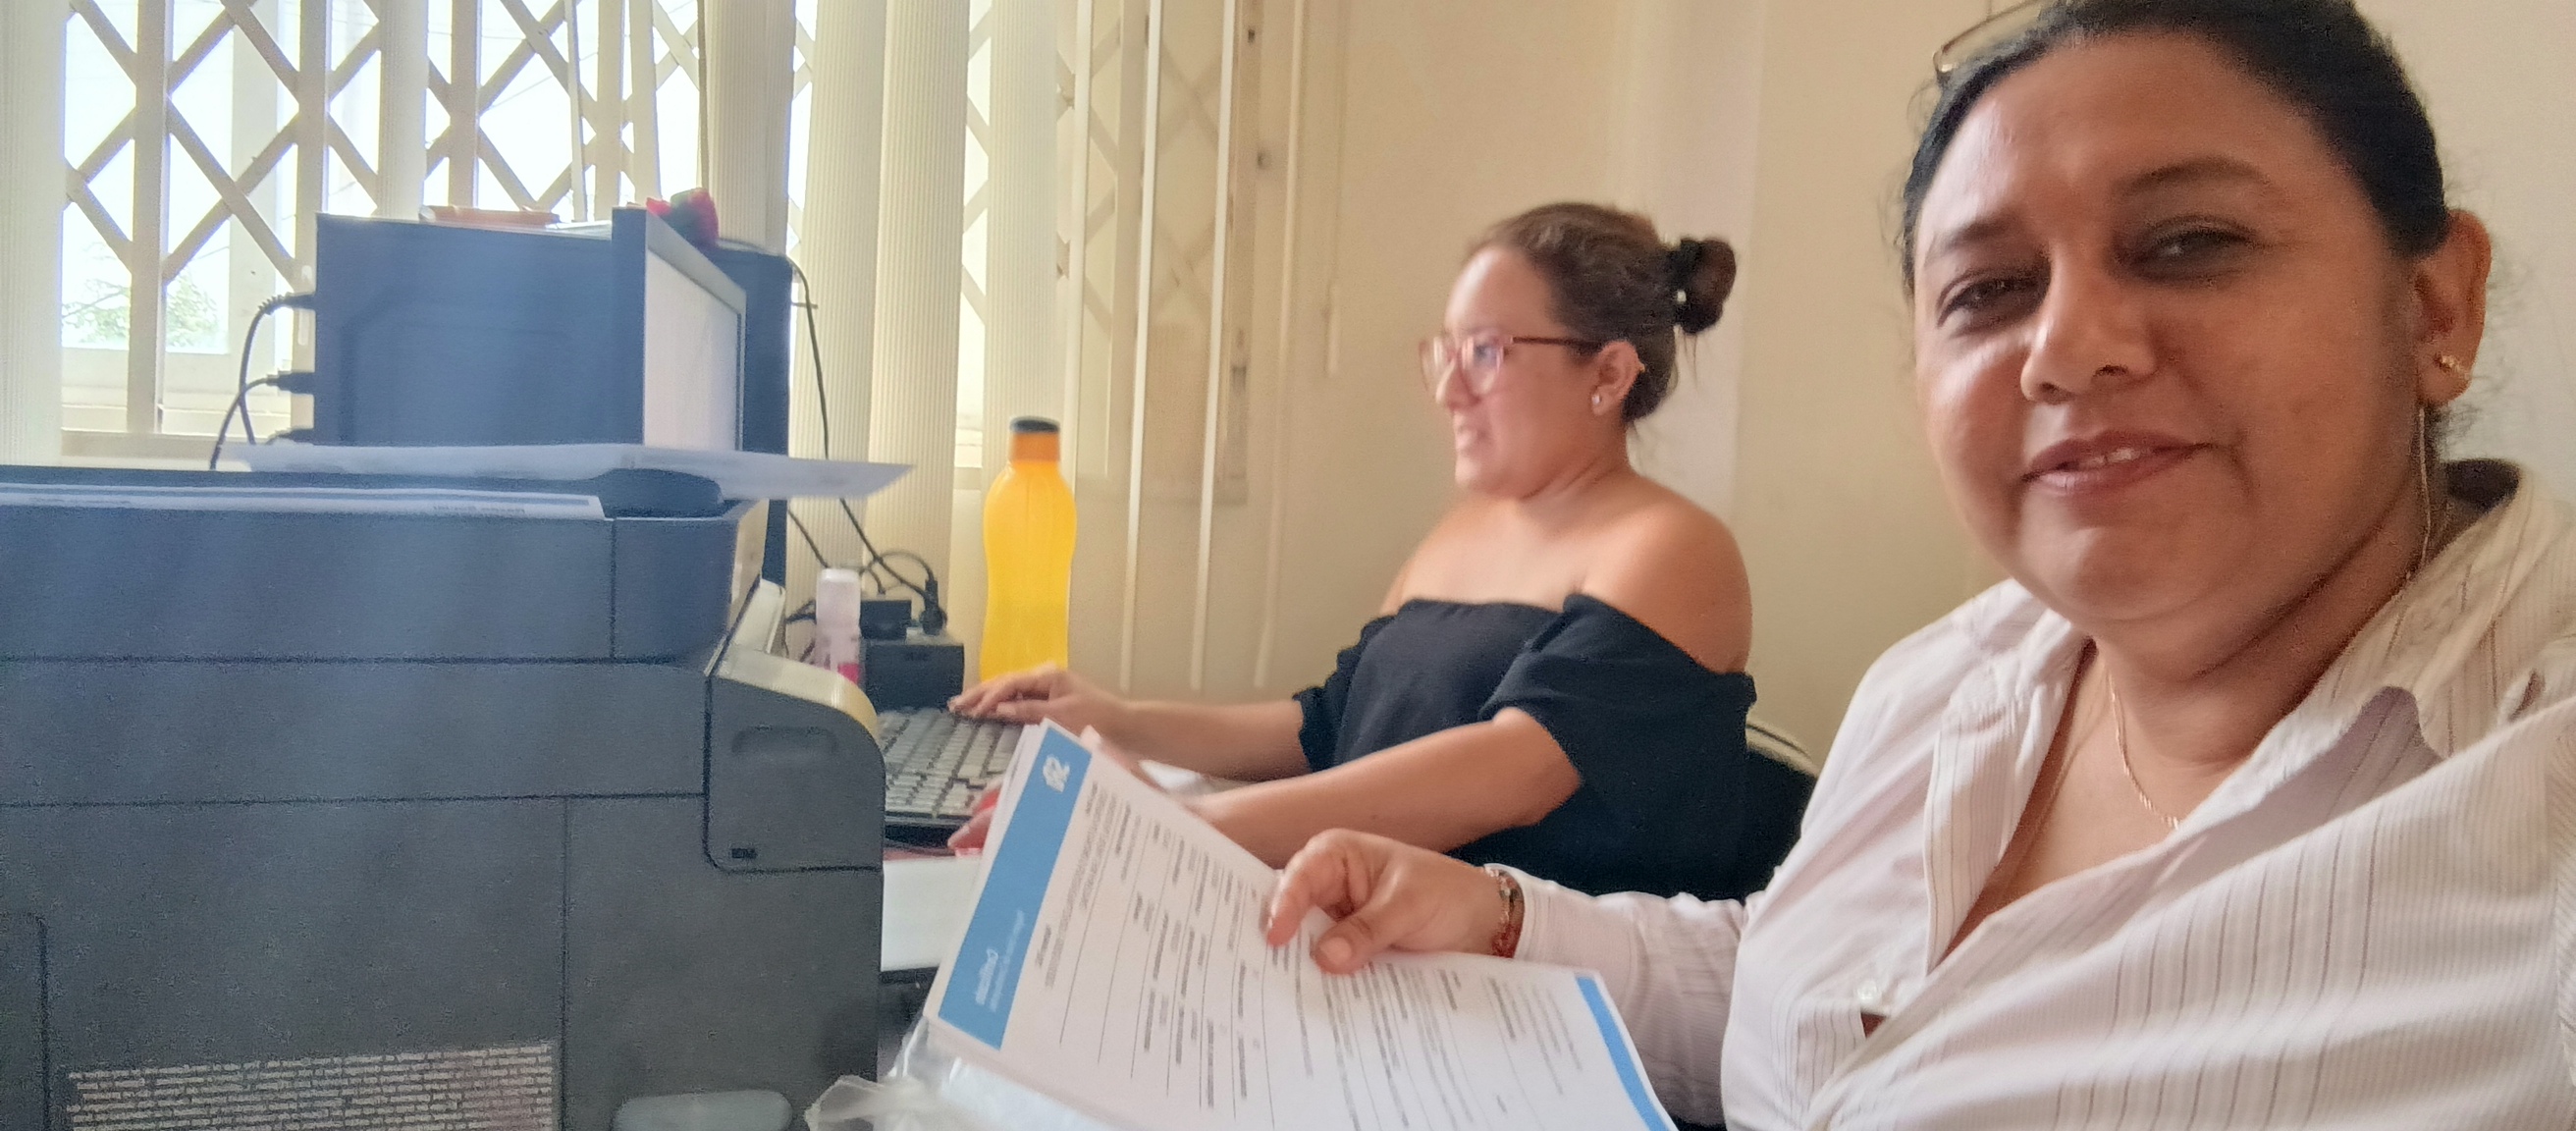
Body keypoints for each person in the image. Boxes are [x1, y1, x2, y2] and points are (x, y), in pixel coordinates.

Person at [1262, 1, 2576, 1126]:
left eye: (2187, 243)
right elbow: (1814, 996)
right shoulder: (1947, 679)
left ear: (2434, 306)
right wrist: (1502, 920)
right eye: (1988, 291)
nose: (2068, 348)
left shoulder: (2536, 803)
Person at [950, 202, 1813, 902]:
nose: (1449, 390)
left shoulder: (1672, 548)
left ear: (1610, 375)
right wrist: (1112, 716)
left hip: (1527, 995)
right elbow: (1330, 726)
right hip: (1375, 949)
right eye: (1446, 352)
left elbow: (1508, 772)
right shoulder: (1461, 531)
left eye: (1486, 353)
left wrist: (1186, 829)